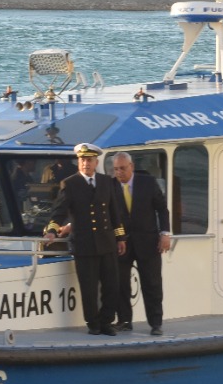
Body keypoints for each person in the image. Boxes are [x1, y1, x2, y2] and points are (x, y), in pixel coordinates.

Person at [44, 142, 126, 335]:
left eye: (89, 160)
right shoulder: (70, 184)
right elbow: (59, 211)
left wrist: (120, 237)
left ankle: (107, 321)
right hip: (84, 244)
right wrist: (52, 231)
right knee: (88, 288)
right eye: (82, 160)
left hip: (107, 242)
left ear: (96, 162)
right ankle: (93, 324)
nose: (85, 164)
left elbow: (114, 212)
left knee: (112, 285)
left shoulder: (106, 182)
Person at [110, 152, 172, 335]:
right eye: (116, 169)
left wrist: (165, 233)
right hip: (121, 243)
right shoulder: (110, 186)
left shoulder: (148, 183)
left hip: (148, 242)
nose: (119, 173)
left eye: (122, 168)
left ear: (132, 167)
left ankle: (156, 323)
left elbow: (162, 209)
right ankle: (124, 320)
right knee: (121, 283)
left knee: (152, 283)